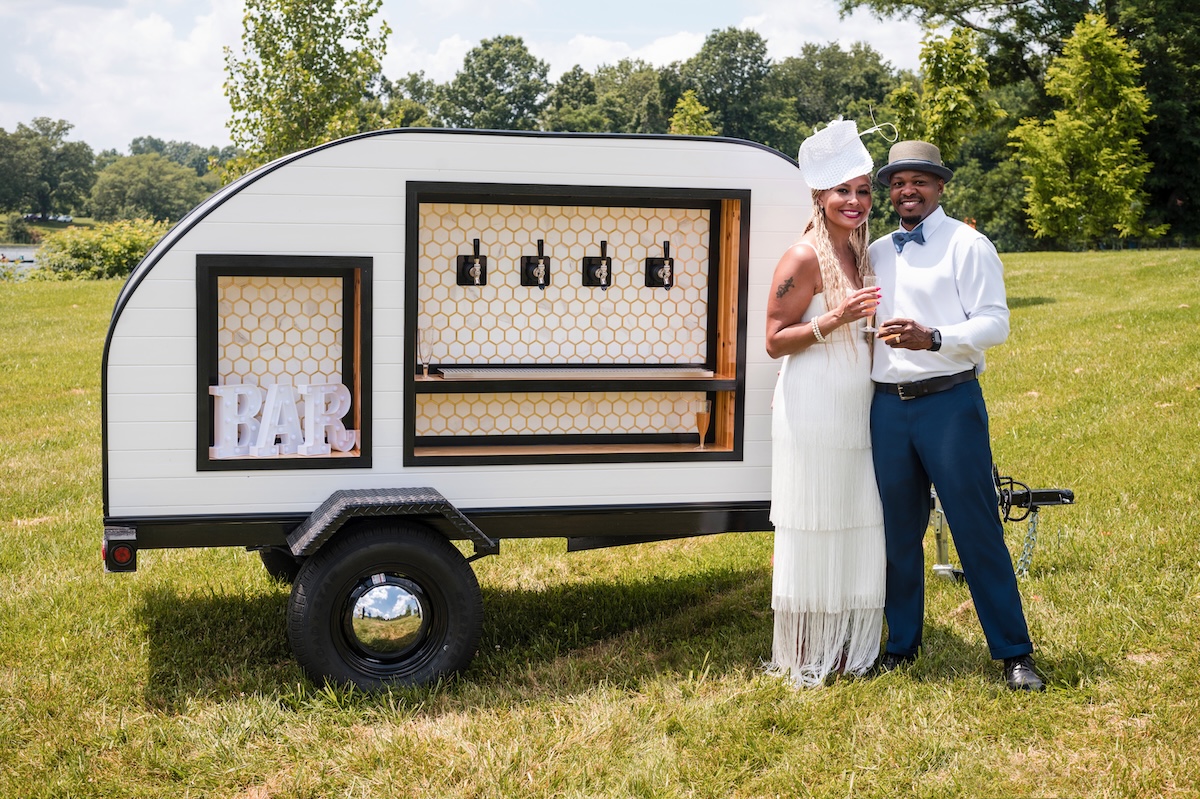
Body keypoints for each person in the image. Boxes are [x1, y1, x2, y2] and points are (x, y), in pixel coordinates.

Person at [869, 140, 1045, 691]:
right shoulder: (874, 250)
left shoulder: (968, 244)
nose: (907, 190)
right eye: (898, 182)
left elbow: (995, 323)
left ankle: (1014, 653)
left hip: (949, 403)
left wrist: (935, 337)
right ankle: (901, 645)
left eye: (919, 180)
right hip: (885, 409)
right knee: (897, 534)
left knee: (976, 528)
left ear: (941, 186)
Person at [765, 119, 886, 687]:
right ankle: (809, 648)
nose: (856, 201)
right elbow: (772, 340)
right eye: (844, 191)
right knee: (814, 518)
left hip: (857, 405)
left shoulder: (860, 250)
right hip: (812, 406)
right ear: (820, 196)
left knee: (853, 516)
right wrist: (835, 318)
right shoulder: (803, 256)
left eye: (863, 190)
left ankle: (847, 645)